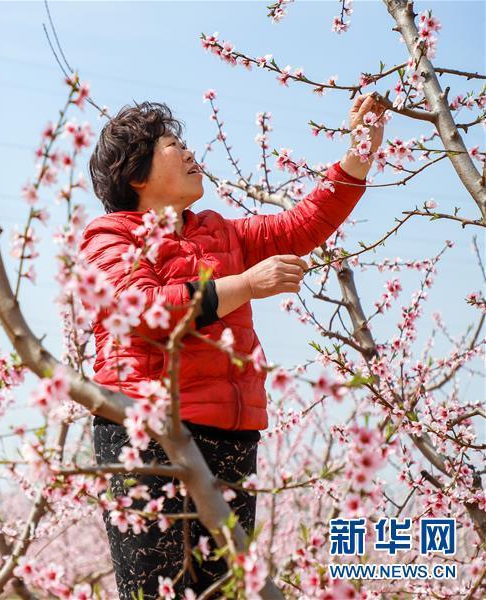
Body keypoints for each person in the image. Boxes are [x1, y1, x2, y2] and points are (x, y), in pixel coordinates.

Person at [80, 95, 385, 597]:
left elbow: (303, 223)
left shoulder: (221, 232)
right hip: (151, 436)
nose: (189, 151)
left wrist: (359, 150)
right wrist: (243, 286)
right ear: (136, 174)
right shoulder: (110, 236)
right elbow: (136, 308)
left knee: (223, 591)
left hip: (232, 440)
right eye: (174, 145)